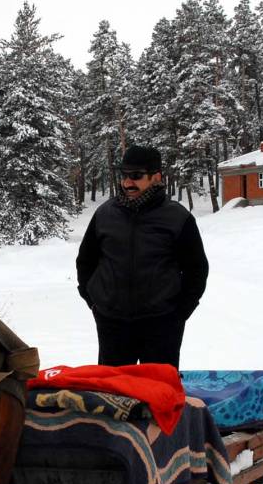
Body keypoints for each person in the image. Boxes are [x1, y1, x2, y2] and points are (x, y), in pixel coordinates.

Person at [75, 144, 208, 368]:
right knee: (114, 395)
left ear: (156, 177)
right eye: (124, 175)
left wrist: (178, 314)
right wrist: (95, 302)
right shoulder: (105, 214)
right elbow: (85, 261)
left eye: (136, 176)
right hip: (112, 324)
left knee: (158, 396)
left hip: (161, 326)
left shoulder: (177, 217)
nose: (128, 182)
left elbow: (196, 269)